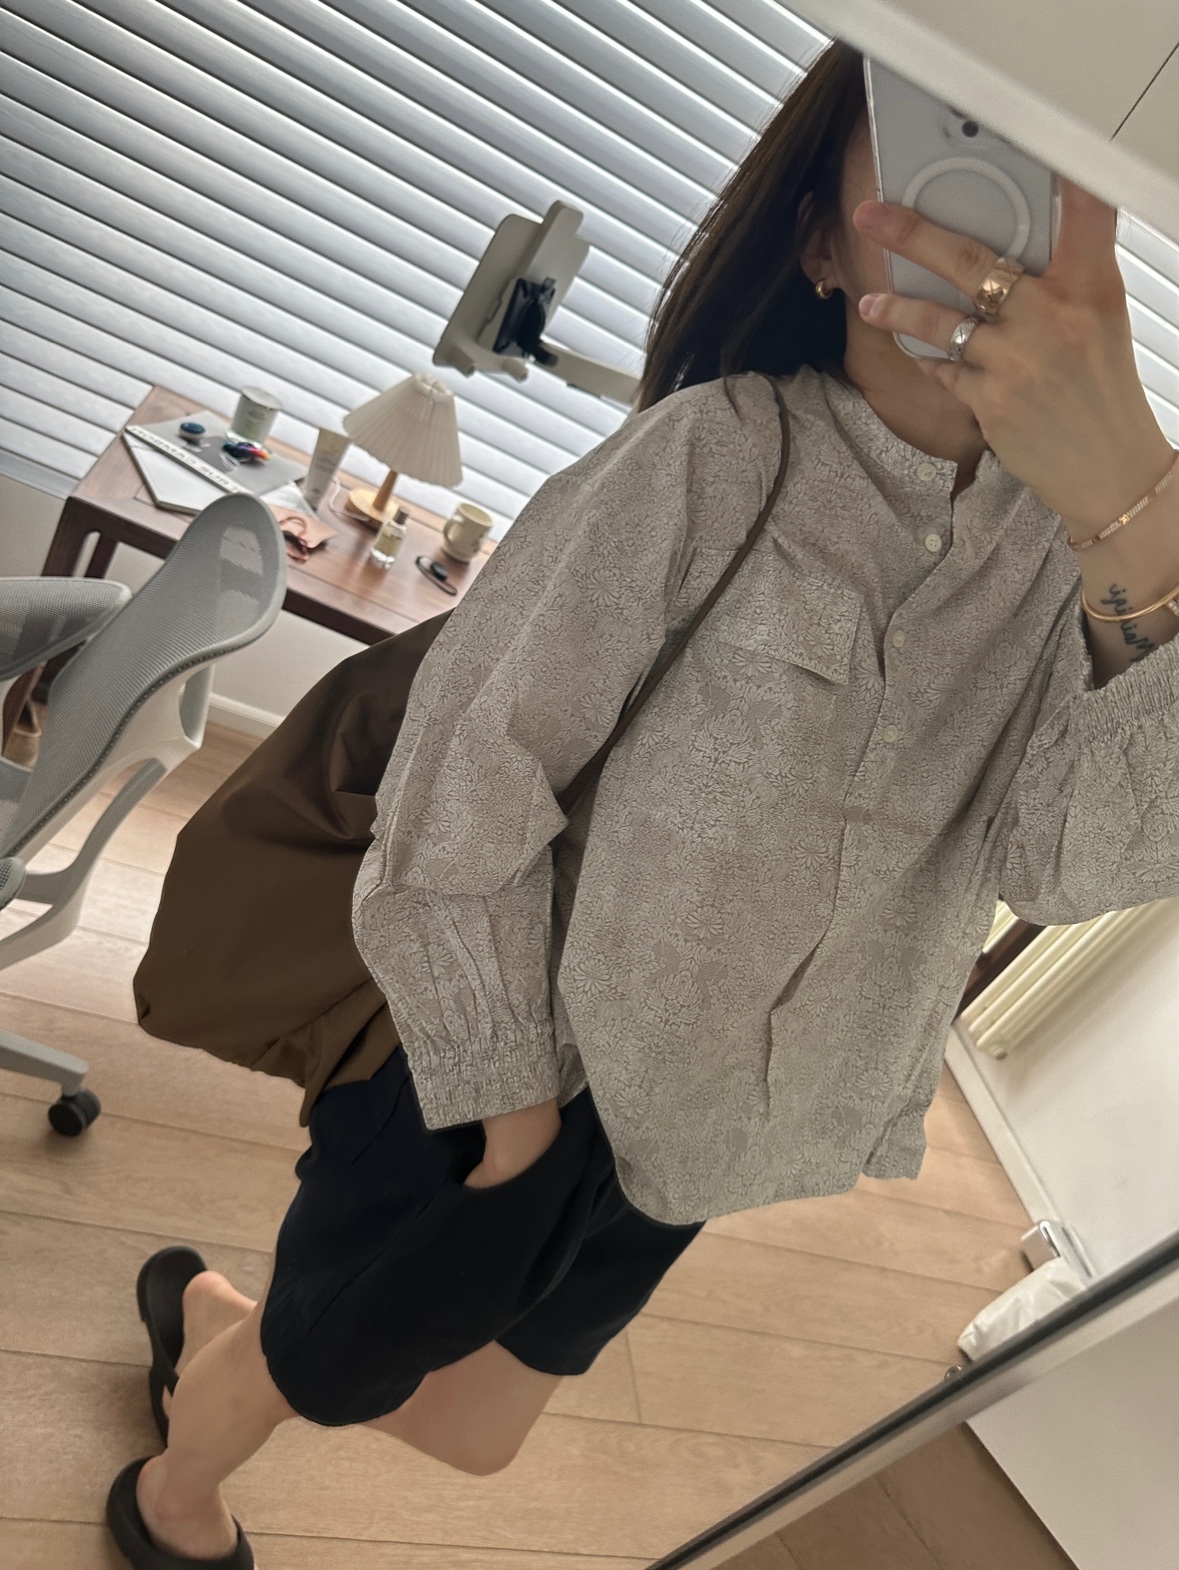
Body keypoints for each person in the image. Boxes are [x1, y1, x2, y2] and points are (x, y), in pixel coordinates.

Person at [109, 39, 1179, 1568]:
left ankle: (230, 1319)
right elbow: (468, 771)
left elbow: (1067, 862)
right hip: (515, 1076)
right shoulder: (715, 457)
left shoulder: (1070, 571)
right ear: (822, 245)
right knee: (326, 1366)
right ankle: (175, 1488)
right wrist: (508, 1109)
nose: (983, 233)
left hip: (707, 1143)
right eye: (941, 152)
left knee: (472, 1428)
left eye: (1042, 190)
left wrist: (1148, 522)